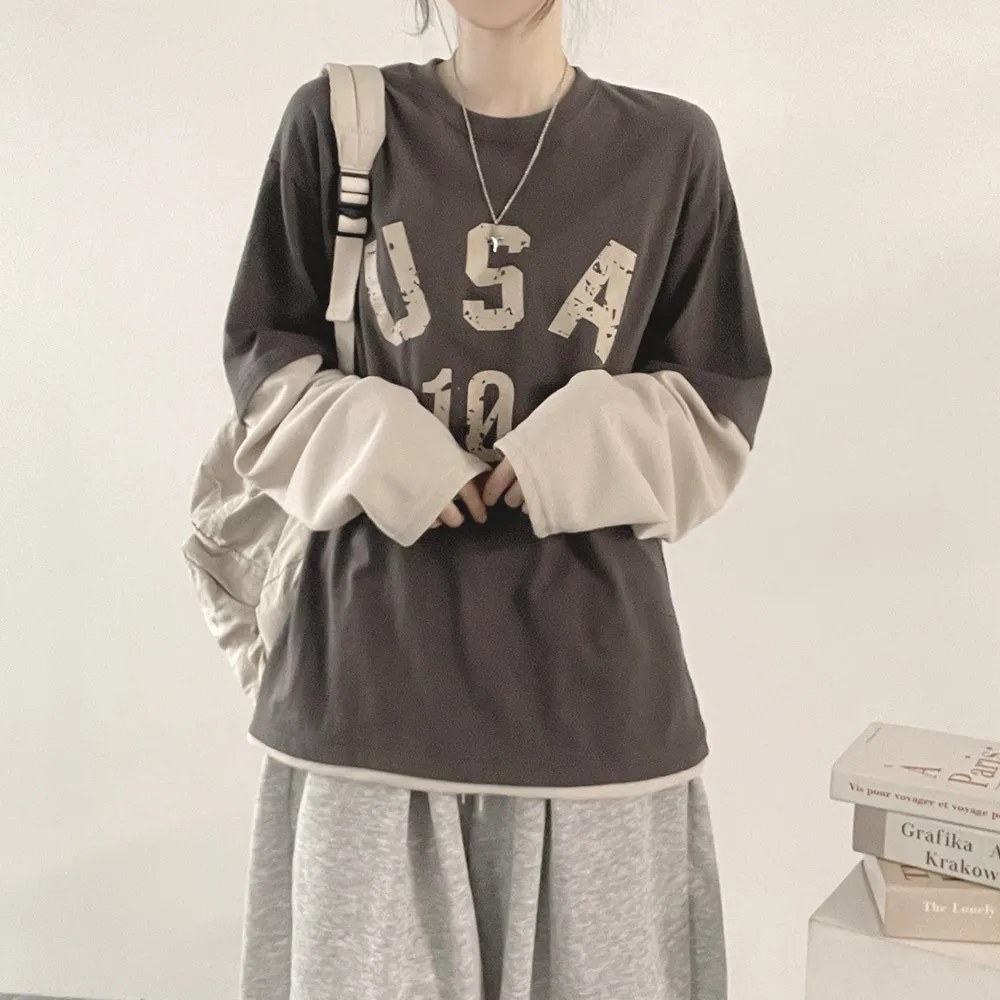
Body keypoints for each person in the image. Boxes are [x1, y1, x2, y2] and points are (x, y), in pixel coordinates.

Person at [226, 0, 771, 997]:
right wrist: (378, 438)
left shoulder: (670, 149)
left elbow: (719, 410)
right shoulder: (342, 126)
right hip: (368, 700)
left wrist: (582, 441)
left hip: (593, 715)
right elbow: (263, 371)